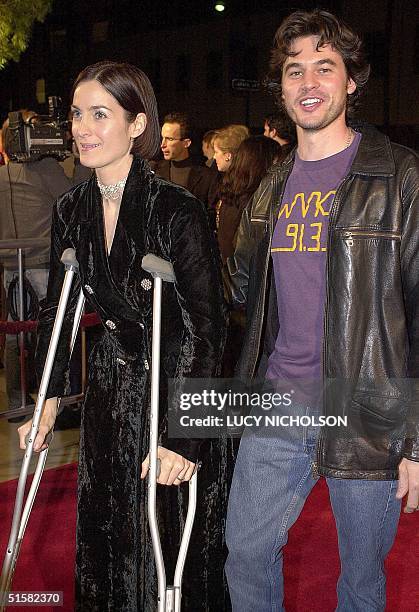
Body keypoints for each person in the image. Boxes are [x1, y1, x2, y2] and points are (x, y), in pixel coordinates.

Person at [225, 9, 419, 612]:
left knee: (361, 579)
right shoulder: (270, 185)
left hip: (369, 410)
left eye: (324, 67)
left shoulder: (399, 175)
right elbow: (242, 297)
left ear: (351, 81)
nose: (309, 82)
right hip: (279, 402)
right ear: (281, 88)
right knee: (246, 556)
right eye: (294, 70)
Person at [17, 61, 228, 611]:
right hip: (111, 391)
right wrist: (48, 397)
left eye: (100, 114)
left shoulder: (176, 211)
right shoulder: (71, 209)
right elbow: (56, 313)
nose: (82, 128)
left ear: (137, 125)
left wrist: (187, 436)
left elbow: (208, 330)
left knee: (169, 542)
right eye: (78, 115)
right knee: (108, 534)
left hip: (175, 386)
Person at [0, 112, 74, 419]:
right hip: (43, 264)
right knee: (51, 333)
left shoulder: (4, 174)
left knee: (17, 335)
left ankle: (17, 402)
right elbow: (73, 196)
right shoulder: (46, 170)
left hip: (10, 268)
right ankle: (58, 401)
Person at [153, 111, 219, 209]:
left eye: (170, 139)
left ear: (186, 143)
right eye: (163, 138)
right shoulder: (154, 171)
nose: (163, 144)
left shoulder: (207, 177)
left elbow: (210, 215)